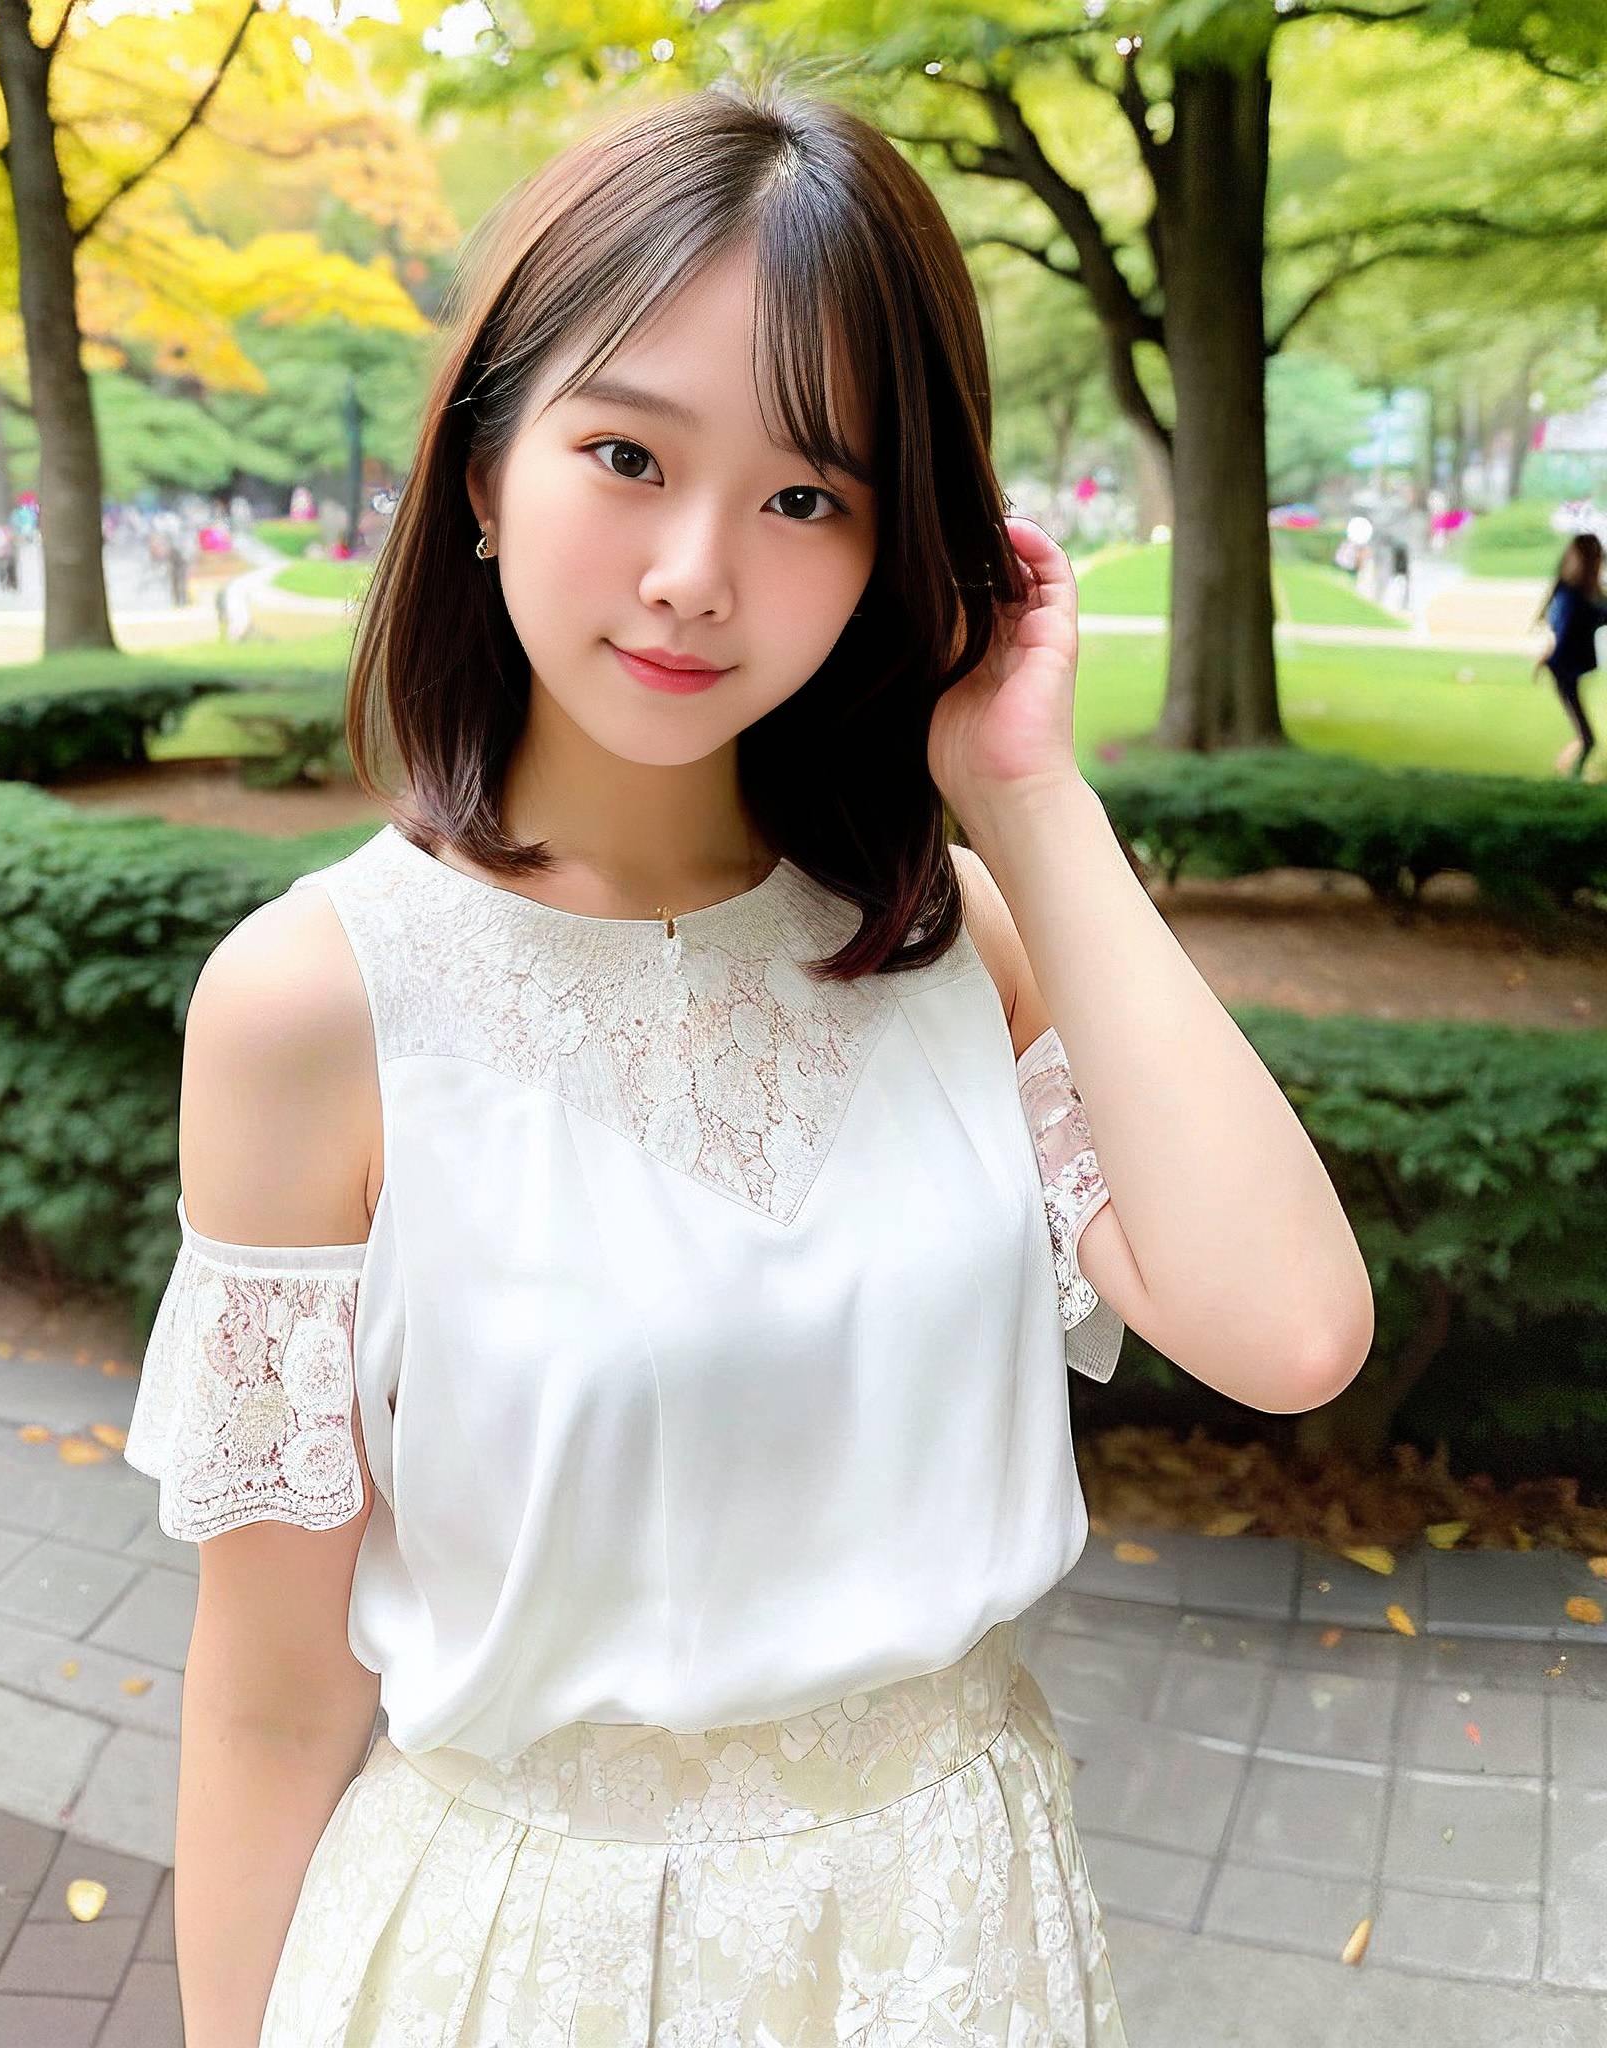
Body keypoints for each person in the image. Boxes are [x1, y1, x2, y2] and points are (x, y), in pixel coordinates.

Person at [124, 80, 1371, 2047]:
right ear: (481, 466)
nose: (695, 569)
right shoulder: (317, 1003)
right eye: (626, 453)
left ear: (893, 551)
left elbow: (1288, 1329)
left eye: (805, 498)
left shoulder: (954, 941)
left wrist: (1024, 795)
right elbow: (274, 1696)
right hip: (519, 1975)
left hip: (953, 1955)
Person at [1531, 532, 1607, 781]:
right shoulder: (1575, 594)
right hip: (1566, 667)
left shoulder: (1581, 594)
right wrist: (1548, 656)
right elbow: (1564, 630)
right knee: (1587, 736)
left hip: (1568, 666)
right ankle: (1571, 774)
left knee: (1586, 735)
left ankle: (1571, 772)